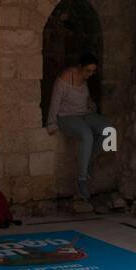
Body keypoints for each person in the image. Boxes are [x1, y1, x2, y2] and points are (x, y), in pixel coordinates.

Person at [46, 52, 109, 208]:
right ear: (80, 67)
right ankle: (82, 179)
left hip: (85, 113)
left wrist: (92, 106)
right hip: (66, 116)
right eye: (88, 70)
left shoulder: (86, 80)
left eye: (93, 71)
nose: (90, 74)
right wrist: (51, 123)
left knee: (110, 132)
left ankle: (87, 162)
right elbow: (55, 100)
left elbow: (85, 100)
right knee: (87, 135)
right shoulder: (66, 77)